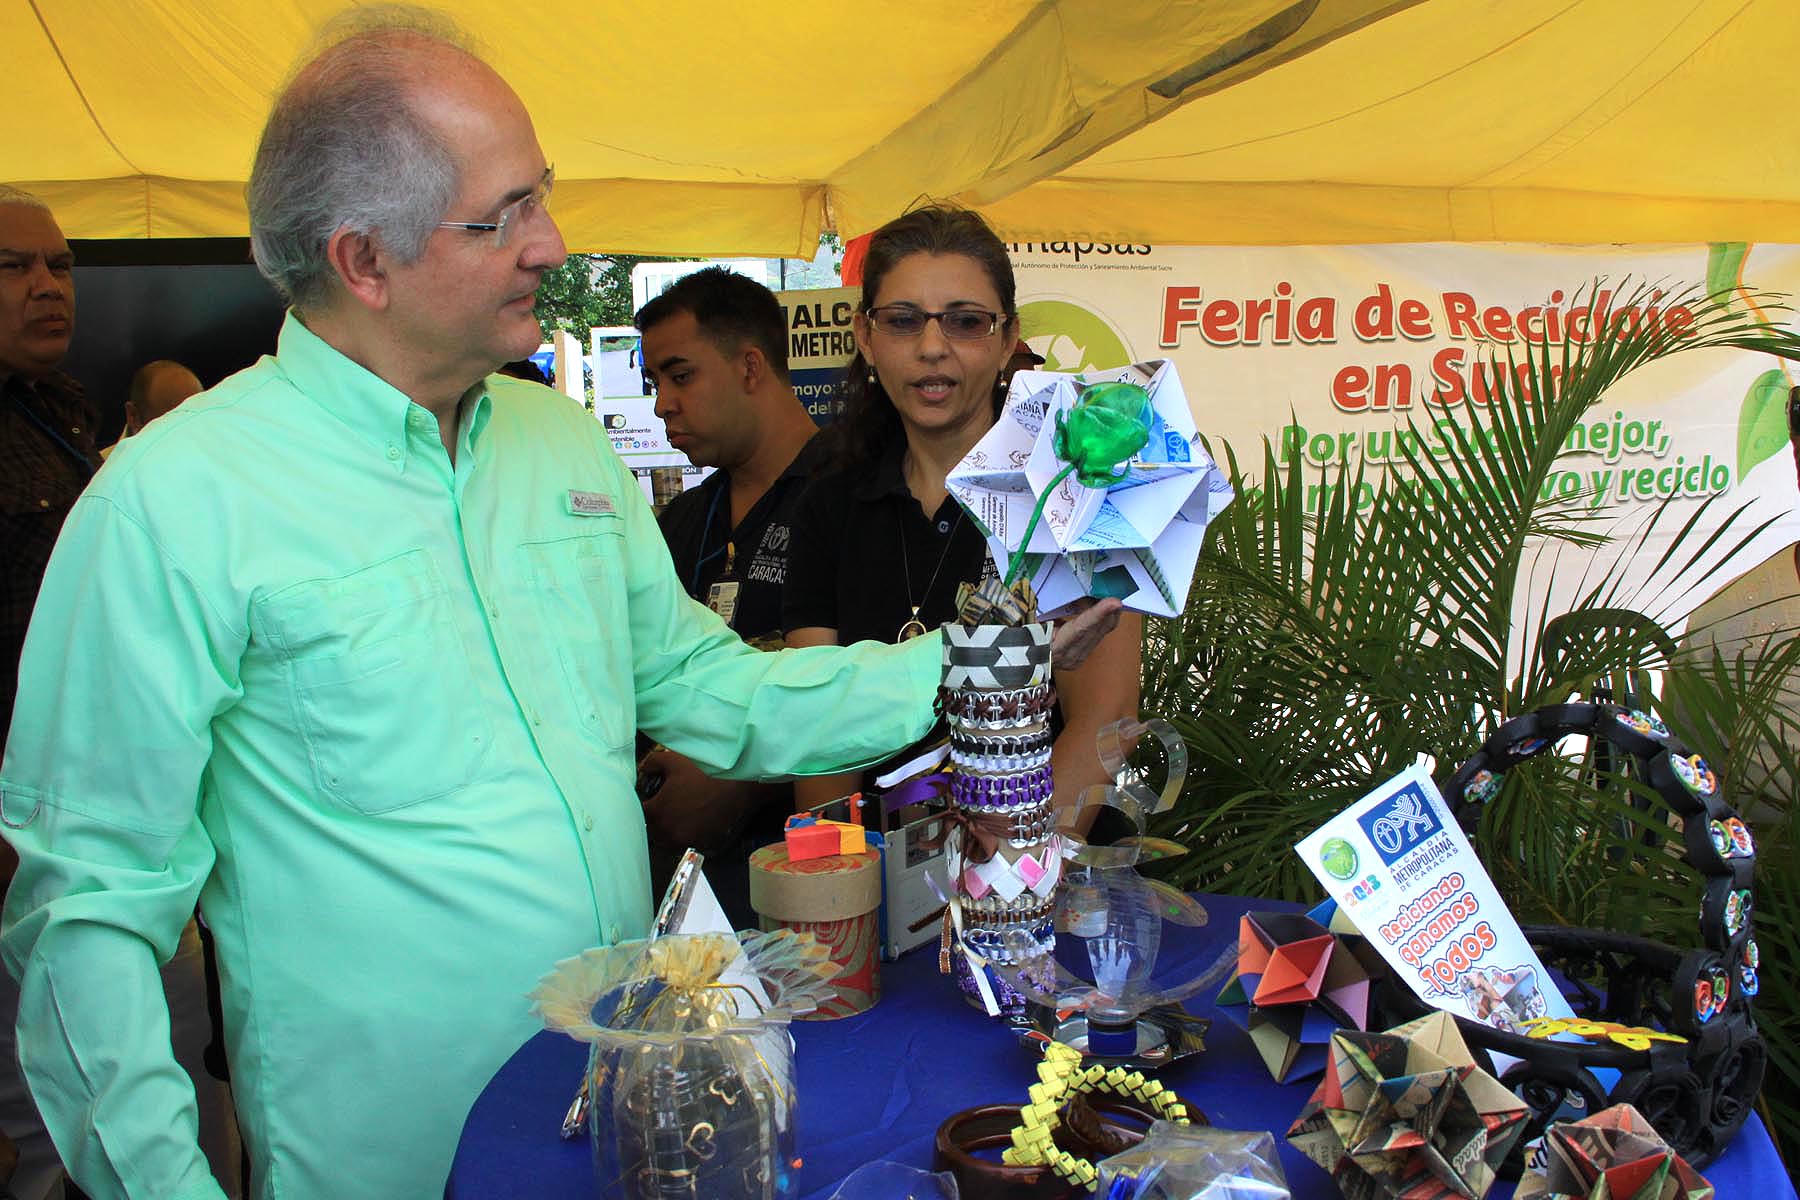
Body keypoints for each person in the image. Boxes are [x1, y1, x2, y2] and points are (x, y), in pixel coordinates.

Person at [0, 14, 1125, 1200]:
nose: (552, 242)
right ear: (363, 260)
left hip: (633, 1114)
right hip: (395, 1158)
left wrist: (964, 669)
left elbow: (705, 686)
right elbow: (88, 917)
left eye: (543, 194)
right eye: (504, 214)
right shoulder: (172, 501)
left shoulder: (557, 440)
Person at [783, 205, 1143, 814]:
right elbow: (818, 725)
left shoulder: (1075, 494)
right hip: (877, 878)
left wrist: (1010, 869)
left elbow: (1104, 722)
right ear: (865, 337)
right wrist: (845, 876)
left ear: (1008, 341)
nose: (931, 348)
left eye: (965, 322)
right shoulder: (827, 503)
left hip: (1033, 875)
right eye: (902, 321)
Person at [633, 268, 824, 922]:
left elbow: (883, 691)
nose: (662, 404)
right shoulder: (678, 522)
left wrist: (745, 780)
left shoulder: (855, 500)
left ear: (750, 367)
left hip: (810, 885)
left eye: (680, 375)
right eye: (654, 381)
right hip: (672, 892)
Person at [0, 184, 92, 1200]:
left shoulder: (61, 411)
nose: (44, 287)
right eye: (14, 268)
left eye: (60, 266)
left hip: (82, 822)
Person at [101, 359, 204, 458]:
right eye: (171, 427)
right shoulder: (100, 472)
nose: (187, 439)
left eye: (197, 423)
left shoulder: (210, 454)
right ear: (133, 416)